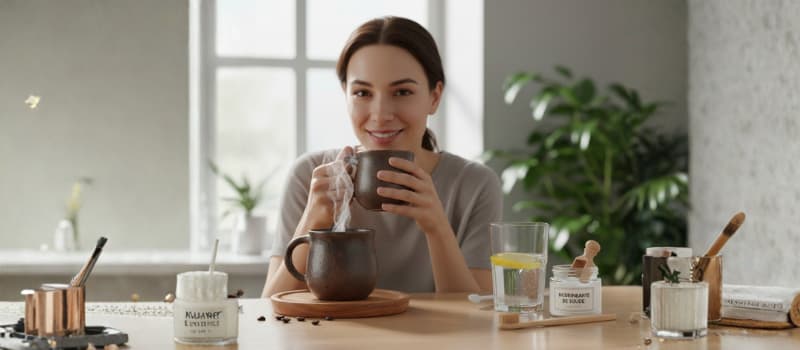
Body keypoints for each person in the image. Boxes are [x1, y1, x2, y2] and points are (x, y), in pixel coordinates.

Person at [262, 16, 501, 296]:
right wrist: (314, 218)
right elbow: (271, 307)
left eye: (402, 91)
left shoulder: (474, 185)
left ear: (434, 97)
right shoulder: (310, 176)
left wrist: (437, 227)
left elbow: (478, 320)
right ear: (346, 96)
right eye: (362, 92)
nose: (380, 114)